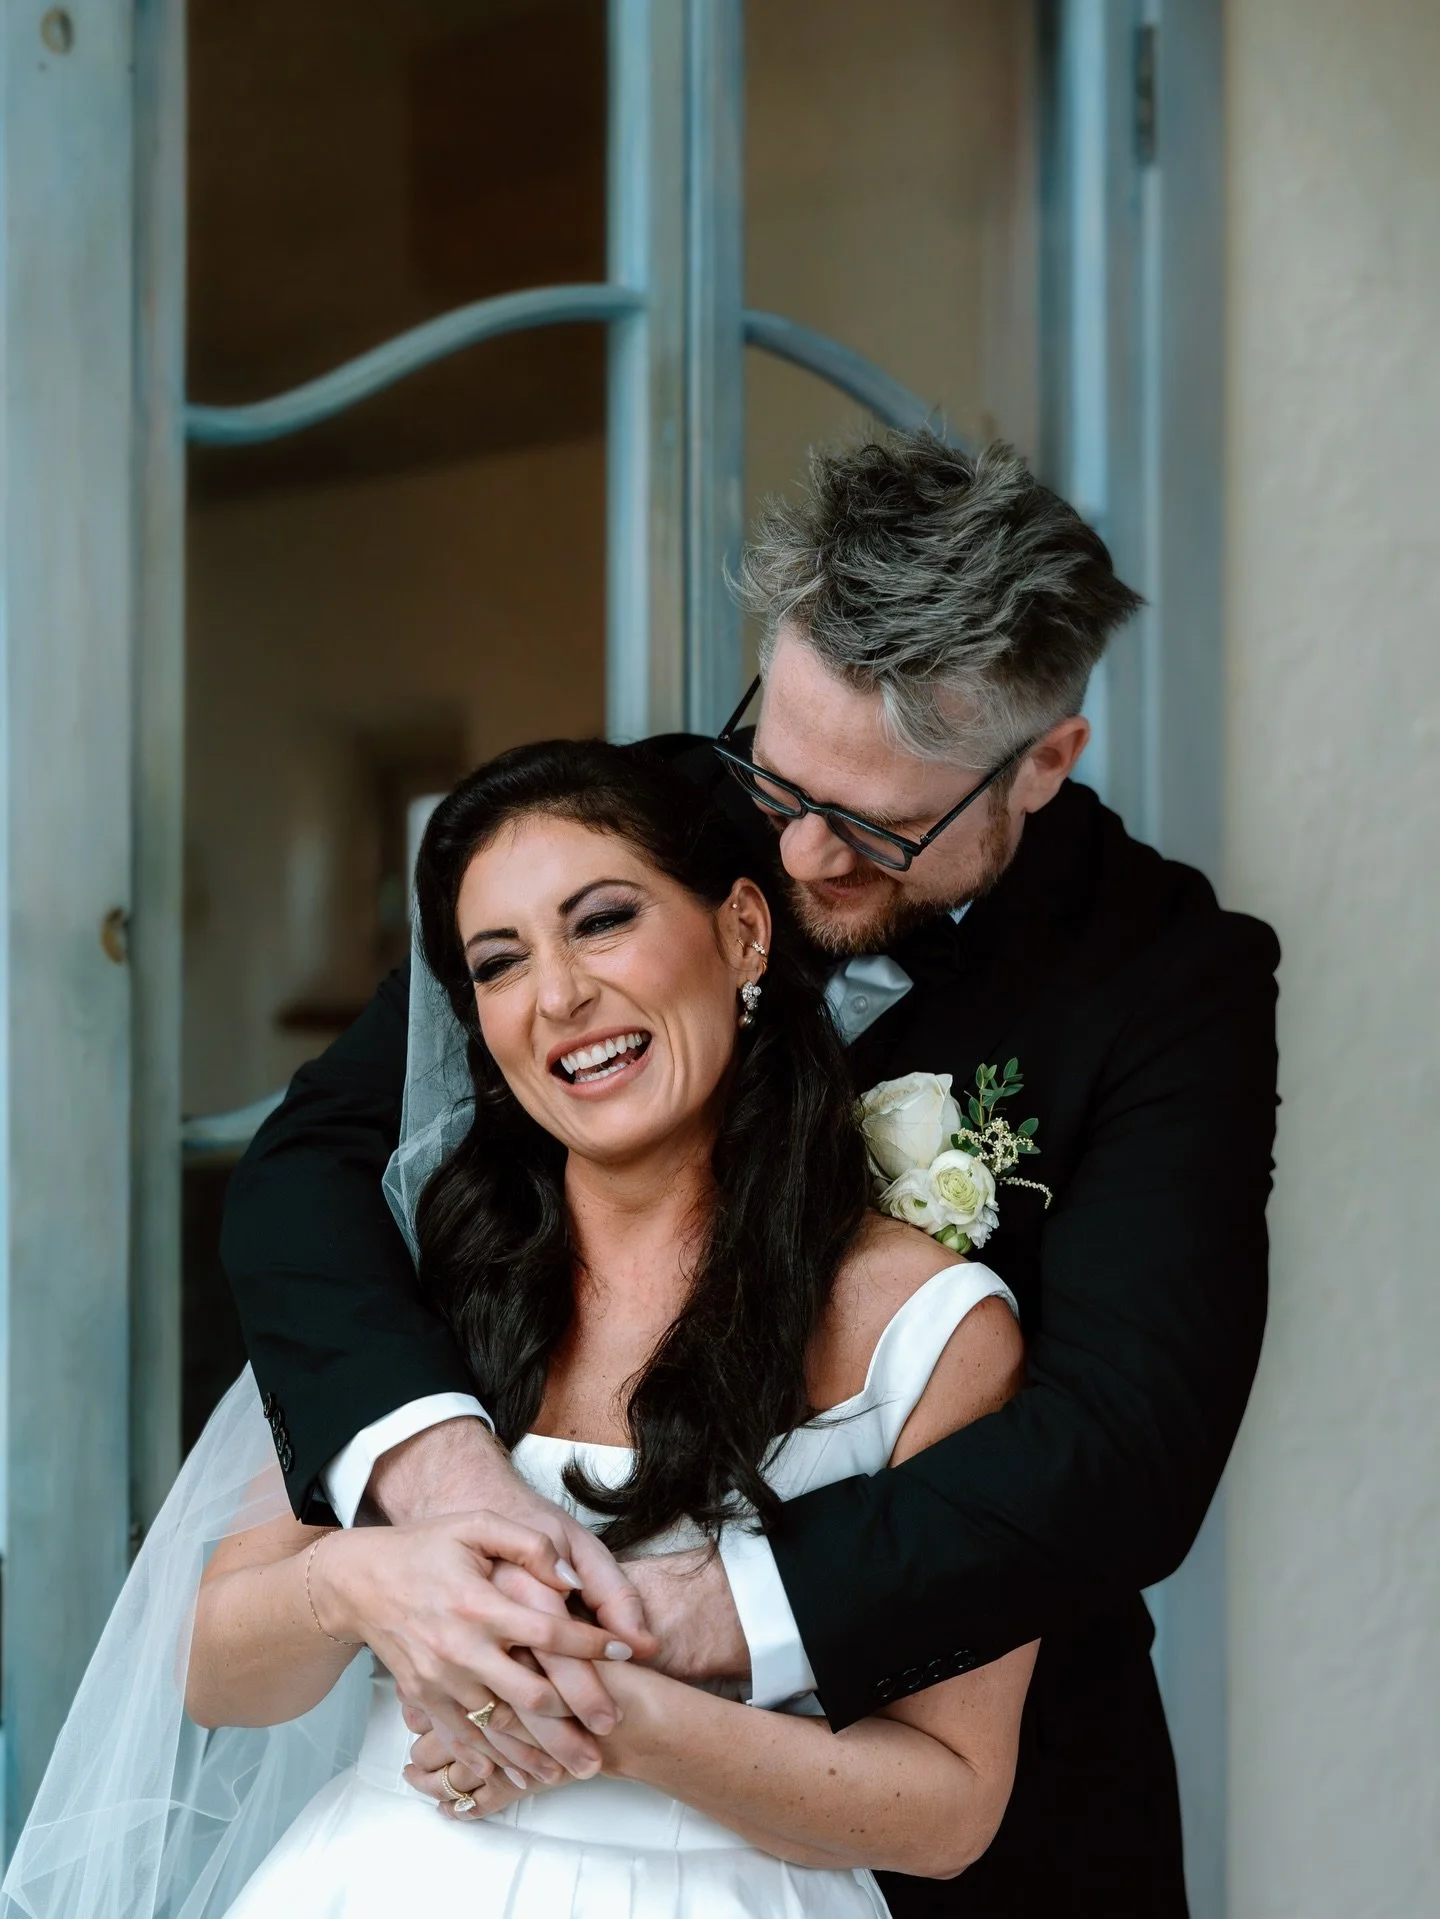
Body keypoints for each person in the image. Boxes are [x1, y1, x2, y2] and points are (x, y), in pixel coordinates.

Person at [221, 435, 1280, 1914]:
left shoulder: (1172, 981)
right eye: (775, 774)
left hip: (967, 1795)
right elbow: (311, 1165)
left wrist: (722, 1608)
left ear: (1043, 759)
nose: (795, 852)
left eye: (874, 826)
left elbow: (1126, 1443)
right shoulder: (629, 834)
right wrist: (437, 1469)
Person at [3, 742, 1035, 1918]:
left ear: (744, 932)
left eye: (600, 921)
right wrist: (360, 1584)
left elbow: (949, 1806)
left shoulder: (927, 1327)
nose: (558, 997)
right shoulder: (419, 1279)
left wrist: (612, 1719)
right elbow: (215, 1669)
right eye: (500, 962)